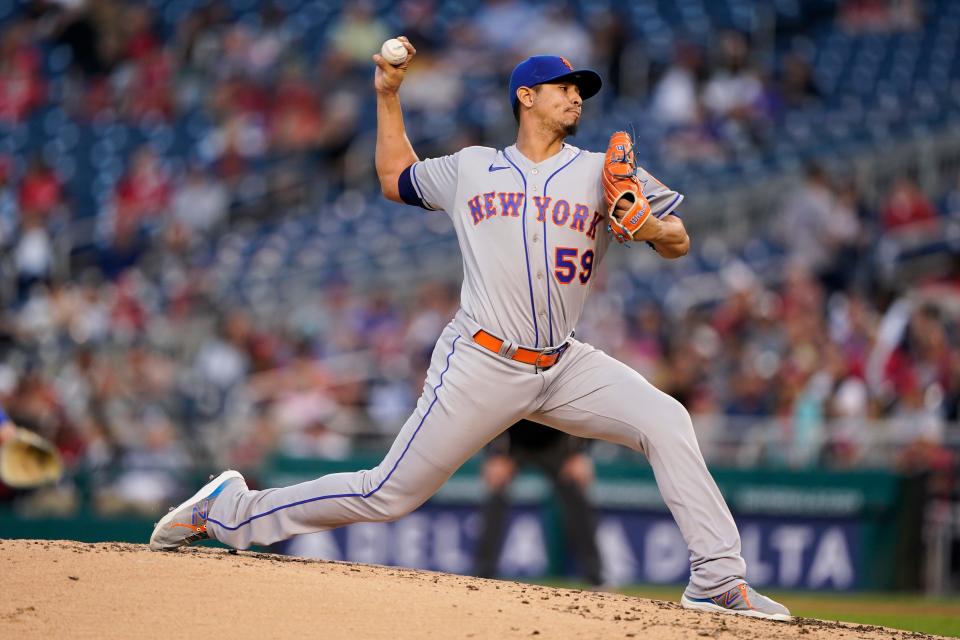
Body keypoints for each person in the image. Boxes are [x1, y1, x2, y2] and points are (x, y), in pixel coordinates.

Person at [150, 38, 791, 621]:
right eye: (565, 88)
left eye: (582, 91)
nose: (576, 97)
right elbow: (393, 177)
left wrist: (649, 227)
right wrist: (388, 96)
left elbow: (679, 238)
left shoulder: (601, 170)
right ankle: (226, 511)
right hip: (482, 361)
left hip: (563, 363)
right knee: (388, 493)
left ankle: (717, 580)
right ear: (526, 96)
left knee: (667, 420)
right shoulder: (472, 167)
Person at [473, 420, 602, 586]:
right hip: (514, 443)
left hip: (556, 441)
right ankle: (483, 573)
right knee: (496, 490)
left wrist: (578, 452)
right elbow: (492, 410)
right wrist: (496, 453)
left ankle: (595, 577)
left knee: (575, 490)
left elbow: (584, 410)